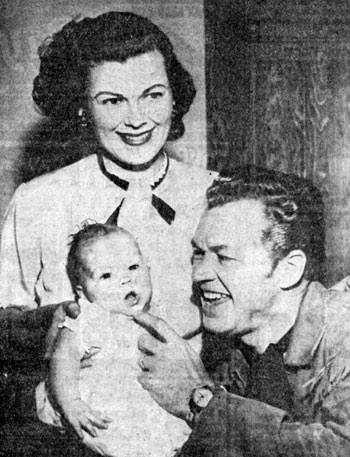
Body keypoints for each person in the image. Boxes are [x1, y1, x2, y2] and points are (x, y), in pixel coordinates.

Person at [0, 11, 215, 336]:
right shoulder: (37, 202)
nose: (137, 119)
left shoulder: (218, 196)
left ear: (173, 97)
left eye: (153, 95)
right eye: (113, 101)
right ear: (82, 108)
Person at [135, 165, 350, 456]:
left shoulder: (343, 336)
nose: (199, 274)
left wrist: (202, 402)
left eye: (224, 257)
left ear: (288, 270)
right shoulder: (228, 347)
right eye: (199, 253)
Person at [37, 223, 190, 457]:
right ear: (82, 291)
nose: (126, 280)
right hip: (108, 418)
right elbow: (62, 361)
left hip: (154, 413)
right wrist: (72, 403)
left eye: (133, 267)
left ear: (149, 269)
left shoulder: (157, 316)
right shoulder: (88, 318)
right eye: (106, 275)